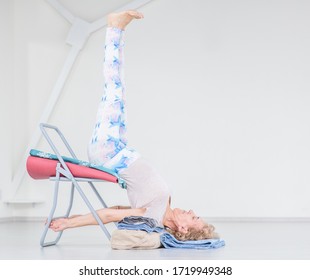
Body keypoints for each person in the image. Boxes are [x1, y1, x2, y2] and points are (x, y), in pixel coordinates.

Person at [49, 11, 217, 241]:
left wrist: (69, 223)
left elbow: (111, 215)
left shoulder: (154, 216)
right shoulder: (163, 207)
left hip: (108, 151)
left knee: (114, 88)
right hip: (119, 148)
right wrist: (74, 216)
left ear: (184, 229)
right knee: (118, 89)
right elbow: (118, 211)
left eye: (194, 219)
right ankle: (116, 29)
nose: (193, 213)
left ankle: (115, 28)